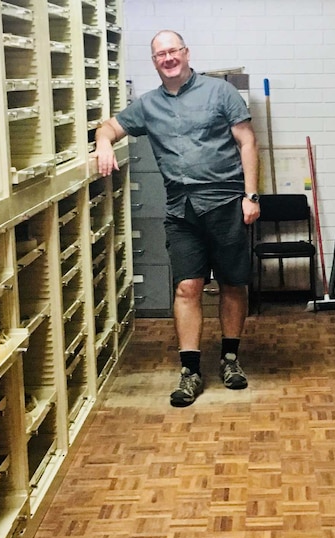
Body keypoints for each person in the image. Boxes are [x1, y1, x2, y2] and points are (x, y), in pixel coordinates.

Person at [94, 30, 260, 407]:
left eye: (173, 51)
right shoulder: (147, 105)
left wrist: (251, 196)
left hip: (226, 203)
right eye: (159, 54)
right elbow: (109, 126)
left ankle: (230, 359)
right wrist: (103, 142)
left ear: (186, 53)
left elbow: (247, 141)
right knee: (188, 287)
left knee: (233, 284)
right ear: (154, 62)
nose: (167, 58)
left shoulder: (221, 93)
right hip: (180, 210)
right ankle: (190, 370)